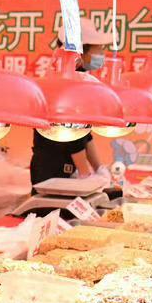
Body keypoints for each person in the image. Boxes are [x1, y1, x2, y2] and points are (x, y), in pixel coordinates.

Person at [28, 18, 109, 186]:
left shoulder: (82, 78)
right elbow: (72, 134)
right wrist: (85, 173)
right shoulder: (65, 82)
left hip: (68, 165)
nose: (102, 54)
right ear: (82, 50)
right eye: (99, 49)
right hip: (51, 168)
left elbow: (84, 133)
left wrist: (99, 168)